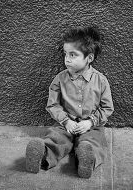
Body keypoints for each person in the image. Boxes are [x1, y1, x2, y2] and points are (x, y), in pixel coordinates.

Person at [25, 26, 114, 178]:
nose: (67, 59)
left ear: (89, 58)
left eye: (73, 55)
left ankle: (86, 160)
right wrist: (66, 121)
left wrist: (91, 122)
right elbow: (52, 105)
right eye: (66, 54)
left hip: (91, 126)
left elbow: (107, 108)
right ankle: (42, 153)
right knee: (56, 137)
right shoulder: (60, 79)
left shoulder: (101, 81)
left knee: (93, 142)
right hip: (66, 123)